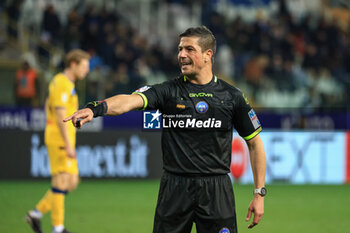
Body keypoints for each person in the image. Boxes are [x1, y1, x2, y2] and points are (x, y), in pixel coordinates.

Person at [65, 26, 266, 233]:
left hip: (216, 189)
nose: (181, 55)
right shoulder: (168, 91)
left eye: (189, 49)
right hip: (175, 189)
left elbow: (254, 143)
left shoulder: (232, 96)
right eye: (180, 49)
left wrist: (259, 194)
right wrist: (96, 109)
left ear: (208, 55)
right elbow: (129, 101)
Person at [26, 49, 90, 233]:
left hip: (63, 138)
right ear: (73, 64)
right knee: (61, 181)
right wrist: (68, 145)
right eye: (84, 66)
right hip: (60, 139)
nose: (86, 71)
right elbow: (61, 115)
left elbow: (53, 107)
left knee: (71, 181)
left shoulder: (64, 83)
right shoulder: (62, 83)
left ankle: (36, 214)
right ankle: (58, 228)